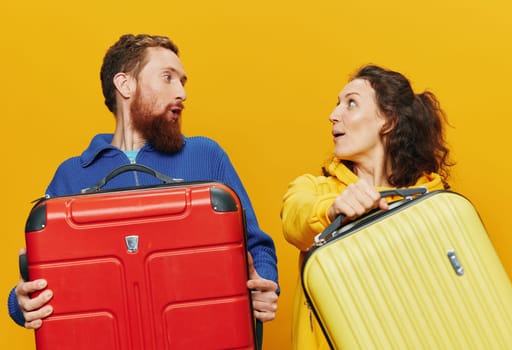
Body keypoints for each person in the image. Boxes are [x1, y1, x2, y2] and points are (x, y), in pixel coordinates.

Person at [8, 34, 279, 330]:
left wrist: (265, 286)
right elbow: (39, 276)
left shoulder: (206, 155)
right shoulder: (72, 174)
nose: (182, 93)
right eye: (168, 78)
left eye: (183, 82)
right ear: (125, 85)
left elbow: (257, 246)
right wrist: (20, 303)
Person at [280, 64, 453, 349]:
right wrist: (332, 210)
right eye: (337, 105)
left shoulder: (432, 205)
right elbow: (294, 222)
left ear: (388, 120)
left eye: (351, 103)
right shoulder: (313, 189)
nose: (333, 115)